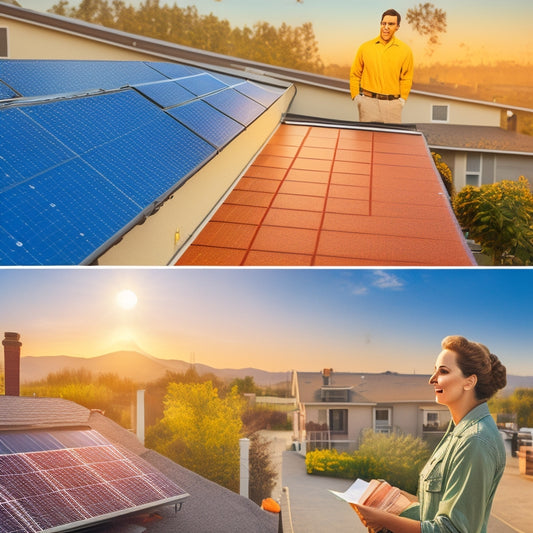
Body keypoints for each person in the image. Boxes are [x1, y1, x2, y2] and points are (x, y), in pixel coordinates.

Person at [354, 335, 507, 533]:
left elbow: (452, 529)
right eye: (434, 370)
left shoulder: (475, 441)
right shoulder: (457, 432)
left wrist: (380, 518)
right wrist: (392, 496)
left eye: (443, 371)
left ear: (469, 382)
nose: (432, 379)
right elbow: (432, 511)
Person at [350, 9, 414, 123]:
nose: (386, 27)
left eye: (391, 24)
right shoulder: (365, 47)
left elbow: (406, 77)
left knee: (391, 140)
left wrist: (402, 100)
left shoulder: (405, 51)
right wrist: (356, 97)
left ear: (397, 27)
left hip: (393, 105)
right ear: (380, 24)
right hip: (368, 103)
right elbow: (355, 74)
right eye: (384, 23)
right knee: (367, 139)